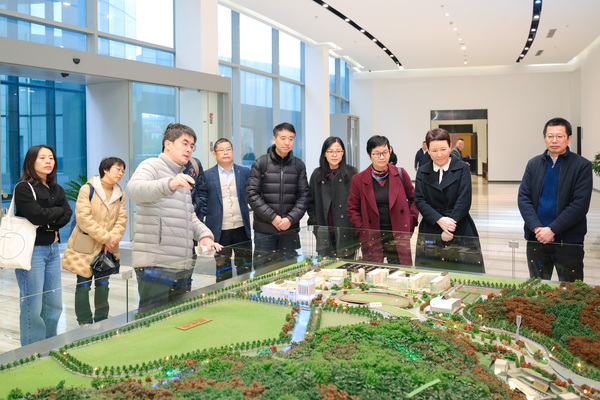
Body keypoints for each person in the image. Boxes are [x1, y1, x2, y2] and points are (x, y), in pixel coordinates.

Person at [127, 123, 222, 309]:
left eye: (192, 146)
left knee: (177, 319)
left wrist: (204, 235)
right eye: (184, 143)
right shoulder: (152, 165)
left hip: (181, 264)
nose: (189, 149)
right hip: (156, 265)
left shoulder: (180, 175)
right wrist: (169, 185)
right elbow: (134, 190)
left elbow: (189, 216)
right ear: (168, 144)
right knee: (153, 319)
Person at [518, 117, 593, 282]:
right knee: (537, 285)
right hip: (537, 238)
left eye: (560, 136)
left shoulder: (581, 165)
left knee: (570, 288)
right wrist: (537, 228)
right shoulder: (533, 164)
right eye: (550, 136)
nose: (554, 140)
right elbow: (523, 198)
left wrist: (552, 229)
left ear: (569, 138)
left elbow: (579, 205)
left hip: (568, 241)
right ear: (544, 137)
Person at [13, 145, 72, 346]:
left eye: (51, 158)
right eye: (42, 158)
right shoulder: (23, 188)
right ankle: (32, 351)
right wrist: (53, 215)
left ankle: (50, 344)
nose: (48, 161)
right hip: (33, 252)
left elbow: (67, 214)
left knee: (54, 303)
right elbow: (36, 215)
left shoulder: (56, 188)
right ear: (31, 161)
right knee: (33, 304)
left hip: (53, 250)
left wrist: (47, 221)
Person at [62, 157, 127, 326]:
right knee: (83, 285)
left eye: (123, 171)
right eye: (118, 169)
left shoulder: (119, 192)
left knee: (103, 284)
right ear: (105, 169)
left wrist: (112, 239)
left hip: (107, 248)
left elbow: (122, 219)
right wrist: (106, 238)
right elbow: (83, 218)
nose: (121, 173)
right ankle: (84, 322)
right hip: (85, 245)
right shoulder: (88, 189)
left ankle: (102, 319)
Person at [414, 128, 484, 271]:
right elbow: (420, 199)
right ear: (428, 150)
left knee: (464, 272)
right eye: (434, 150)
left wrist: (449, 226)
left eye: (443, 149)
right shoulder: (422, 171)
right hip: (432, 225)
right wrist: (440, 220)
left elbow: (464, 200)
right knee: (431, 272)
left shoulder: (462, 168)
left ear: (450, 146)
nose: (439, 154)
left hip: (458, 224)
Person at [347, 135, 419, 265]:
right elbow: (353, 208)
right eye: (377, 153)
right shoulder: (359, 179)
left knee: (399, 272)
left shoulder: (400, 173)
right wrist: (362, 229)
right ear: (369, 156)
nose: (382, 157)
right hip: (372, 235)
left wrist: (411, 220)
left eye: (385, 152)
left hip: (397, 234)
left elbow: (415, 199)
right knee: (374, 271)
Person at [246, 122, 309, 267]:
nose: (287, 142)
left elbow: (304, 196)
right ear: (274, 139)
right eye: (283, 138)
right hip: (264, 230)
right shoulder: (260, 163)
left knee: (288, 271)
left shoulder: (299, 165)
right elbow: (252, 194)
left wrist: (290, 219)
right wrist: (273, 217)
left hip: (289, 230)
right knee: (262, 271)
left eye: (291, 139)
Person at [201, 138, 252, 281]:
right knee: (222, 270)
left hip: (242, 229)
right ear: (214, 154)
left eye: (228, 149)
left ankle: (245, 292)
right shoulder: (206, 175)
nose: (225, 152)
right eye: (221, 150)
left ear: (233, 152)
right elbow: (203, 202)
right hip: (220, 232)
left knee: (245, 268)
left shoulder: (244, 172)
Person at [307, 137, 358, 258]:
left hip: (346, 230)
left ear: (343, 153)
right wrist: (315, 222)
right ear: (324, 153)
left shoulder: (352, 173)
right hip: (324, 230)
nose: (334, 155)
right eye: (330, 151)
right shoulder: (317, 174)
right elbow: (310, 202)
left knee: (346, 265)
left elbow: (358, 202)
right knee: (326, 265)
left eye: (338, 151)